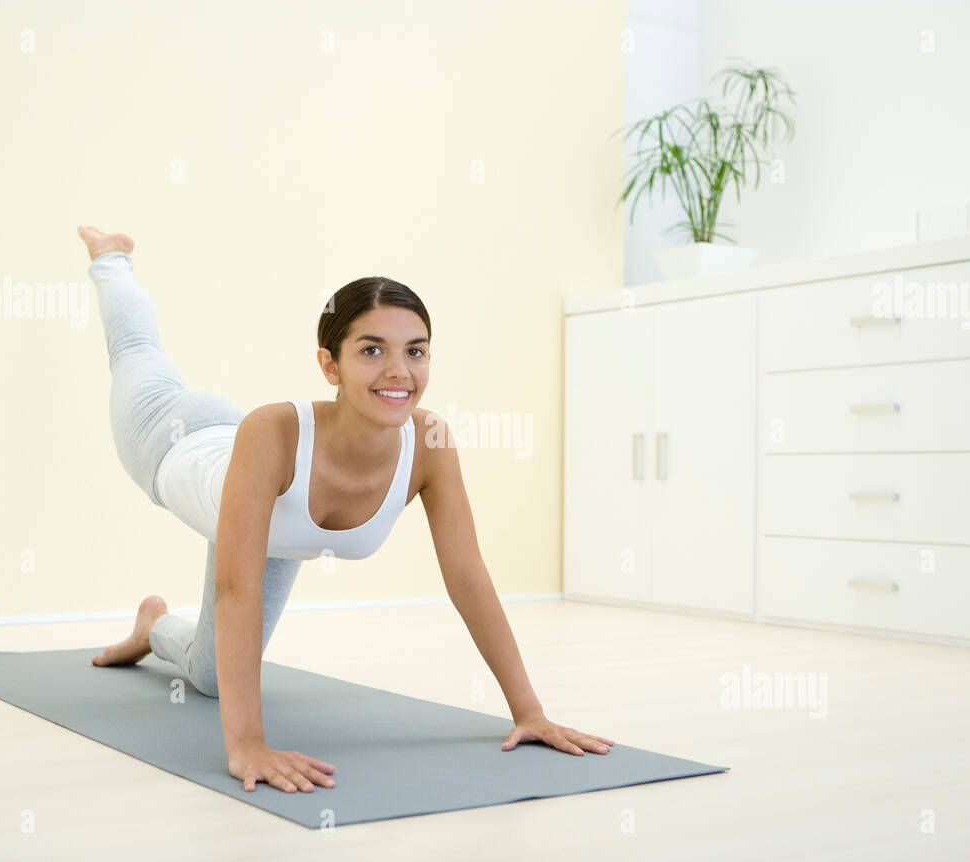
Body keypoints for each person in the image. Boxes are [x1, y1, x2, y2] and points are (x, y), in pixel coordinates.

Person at [78, 225, 614, 794]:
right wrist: (247, 744)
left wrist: (528, 711)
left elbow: (468, 576)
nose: (398, 371)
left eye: (415, 351)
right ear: (329, 366)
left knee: (210, 679)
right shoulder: (270, 430)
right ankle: (112, 258)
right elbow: (239, 587)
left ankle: (152, 626)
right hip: (171, 438)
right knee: (136, 353)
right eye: (371, 350)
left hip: (269, 519)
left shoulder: (429, 442)